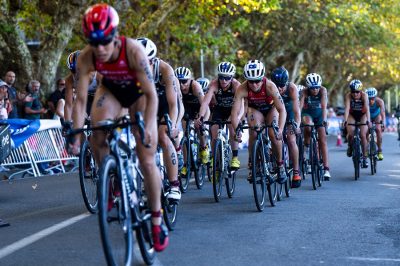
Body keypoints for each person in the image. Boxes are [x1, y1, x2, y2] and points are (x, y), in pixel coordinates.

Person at [68, 3, 168, 252]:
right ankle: (110, 177)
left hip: (139, 94)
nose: (100, 48)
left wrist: (146, 127)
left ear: (115, 35)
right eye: (94, 41)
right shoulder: (85, 57)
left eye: (105, 41)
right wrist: (76, 134)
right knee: (96, 130)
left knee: (146, 157)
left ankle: (156, 220)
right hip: (111, 90)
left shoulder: (133, 51)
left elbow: (152, 95)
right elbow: (80, 100)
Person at [137, 37, 182, 203]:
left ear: (153, 59)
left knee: (164, 136)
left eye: (146, 61)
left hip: (165, 104)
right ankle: (146, 178)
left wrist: (175, 125)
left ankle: (174, 185)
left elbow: (173, 104)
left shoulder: (164, 70)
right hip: (145, 103)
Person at [231, 60, 288, 184]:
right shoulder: (242, 88)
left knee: (274, 134)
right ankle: (253, 163)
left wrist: (281, 130)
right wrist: (237, 131)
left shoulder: (270, 86)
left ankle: (280, 165)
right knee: (254, 131)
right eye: (251, 81)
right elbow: (234, 114)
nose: (254, 84)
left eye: (257, 81)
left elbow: (282, 110)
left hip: (271, 109)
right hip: (255, 109)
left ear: (262, 78)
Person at [198, 61, 242, 169]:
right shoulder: (214, 84)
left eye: (227, 78)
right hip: (219, 109)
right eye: (221, 77)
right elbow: (205, 102)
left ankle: (235, 158)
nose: (223, 80)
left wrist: (238, 119)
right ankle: (214, 156)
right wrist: (201, 117)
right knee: (214, 129)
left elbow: (242, 105)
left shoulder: (236, 85)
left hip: (233, 109)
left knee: (232, 126)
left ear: (232, 77)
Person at [271, 66, 302, 188]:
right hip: (277, 114)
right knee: (273, 136)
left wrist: (297, 125)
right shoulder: (271, 88)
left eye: (282, 85)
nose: (279, 88)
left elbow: (297, 110)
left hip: (290, 115)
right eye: (277, 85)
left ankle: (296, 171)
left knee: (291, 139)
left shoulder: (292, 88)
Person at [175, 67, 210, 168]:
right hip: (185, 109)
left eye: (184, 81)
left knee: (199, 127)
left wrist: (202, 120)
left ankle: (204, 147)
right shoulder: (175, 87)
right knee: (186, 134)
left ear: (190, 80)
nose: (181, 85)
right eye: (178, 82)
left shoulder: (195, 86)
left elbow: (205, 106)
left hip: (199, 108)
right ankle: (186, 164)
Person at [299, 73, 331, 180]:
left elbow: (324, 106)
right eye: (313, 88)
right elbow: (299, 107)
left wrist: (325, 120)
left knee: (322, 140)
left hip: (319, 114)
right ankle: (307, 148)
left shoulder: (323, 91)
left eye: (317, 87)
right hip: (307, 113)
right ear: (308, 87)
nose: (315, 90)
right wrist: (298, 120)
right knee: (307, 126)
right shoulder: (304, 92)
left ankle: (326, 169)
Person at [64, 50, 100, 128]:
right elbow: (68, 104)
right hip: (84, 99)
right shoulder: (69, 80)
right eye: (73, 71)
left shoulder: (98, 75)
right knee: (77, 125)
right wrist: (67, 122)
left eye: (79, 71)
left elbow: (103, 97)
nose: (76, 74)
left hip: (99, 98)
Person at [343, 79, 371, 168]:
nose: (355, 94)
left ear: (361, 91)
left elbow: (367, 109)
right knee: (350, 134)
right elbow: (347, 108)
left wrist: (369, 121)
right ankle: (350, 146)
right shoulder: (348, 96)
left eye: (357, 92)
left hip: (362, 115)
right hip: (352, 115)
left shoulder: (364, 96)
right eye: (353, 92)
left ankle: (365, 158)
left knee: (363, 135)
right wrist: (345, 120)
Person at [365, 87, 385, 160]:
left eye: (373, 98)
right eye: (369, 99)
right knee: (366, 131)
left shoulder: (380, 101)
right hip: (367, 117)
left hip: (377, 116)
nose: (371, 101)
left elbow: (382, 113)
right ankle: (366, 149)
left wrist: (383, 123)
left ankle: (379, 151)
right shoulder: (364, 101)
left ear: (375, 97)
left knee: (378, 129)